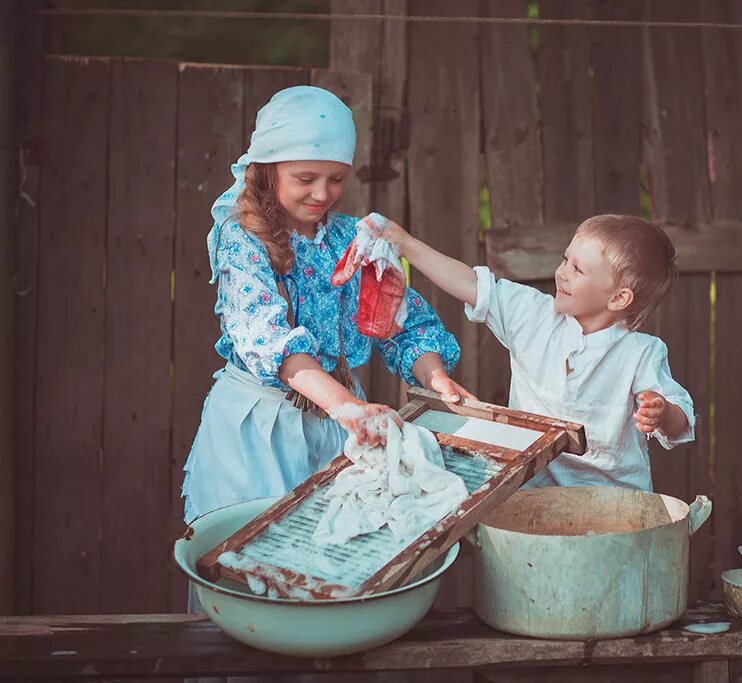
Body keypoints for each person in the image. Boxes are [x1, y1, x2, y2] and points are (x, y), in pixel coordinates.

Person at [181, 86, 473, 526]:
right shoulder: (242, 241)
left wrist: (436, 378)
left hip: (337, 427)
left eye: (336, 179)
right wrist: (346, 406)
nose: (323, 193)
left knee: (328, 557)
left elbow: (402, 321)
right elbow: (270, 340)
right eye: (306, 178)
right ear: (268, 171)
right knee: (250, 553)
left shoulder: (351, 240)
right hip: (262, 429)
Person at [379, 213, 695, 491]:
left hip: (612, 506)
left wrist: (664, 413)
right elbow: (470, 283)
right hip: (530, 489)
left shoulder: (641, 353)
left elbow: (681, 420)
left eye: (578, 270)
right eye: (565, 259)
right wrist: (403, 243)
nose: (562, 273)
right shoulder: (533, 315)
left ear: (618, 298)